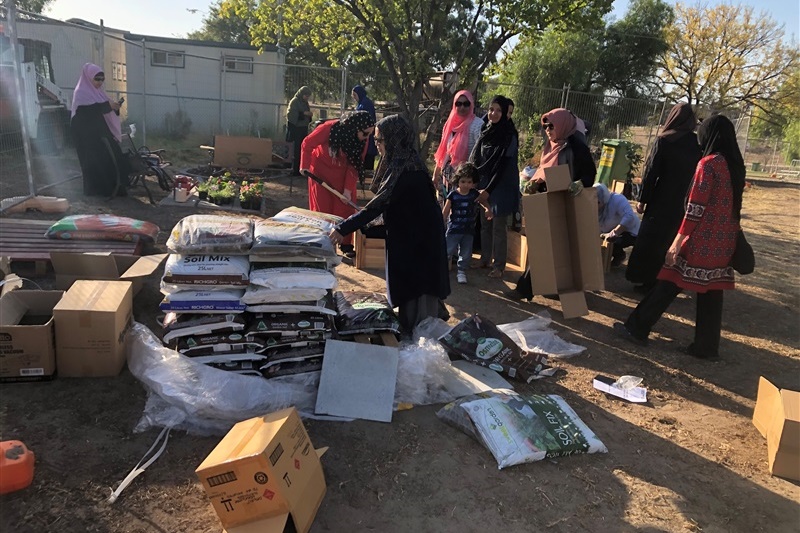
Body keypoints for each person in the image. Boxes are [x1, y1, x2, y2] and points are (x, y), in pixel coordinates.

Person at [614, 114, 745, 359]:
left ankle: (637, 327)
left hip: (700, 240)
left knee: (669, 280)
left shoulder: (709, 164)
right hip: (723, 242)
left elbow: (695, 207)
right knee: (711, 291)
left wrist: (678, 241)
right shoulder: (734, 165)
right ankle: (706, 347)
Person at [328, 114, 450, 332]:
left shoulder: (407, 172)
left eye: (379, 140)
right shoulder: (401, 163)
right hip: (411, 240)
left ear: (394, 140)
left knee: (417, 299)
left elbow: (378, 205)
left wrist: (344, 228)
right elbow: (388, 206)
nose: (377, 145)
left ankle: (419, 341)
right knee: (410, 294)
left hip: (420, 246)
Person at [626, 103, 702, 293]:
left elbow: (652, 172)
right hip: (686, 199)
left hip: (661, 199)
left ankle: (647, 280)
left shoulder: (665, 140)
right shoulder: (698, 143)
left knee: (653, 241)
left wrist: (643, 198)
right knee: (673, 239)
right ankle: (670, 281)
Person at [300, 110, 375, 253]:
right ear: (354, 127)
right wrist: (304, 166)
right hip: (320, 173)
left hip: (343, 175)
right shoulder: (329, 129)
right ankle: (322, 242)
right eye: (365, 133)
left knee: (345, 208)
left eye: (370, 134)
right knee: (323, 209)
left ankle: (346, 243)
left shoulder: (362, 141)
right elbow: (307, 143)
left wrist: (347, 189)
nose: (367, 138)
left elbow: (355, 165)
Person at [470, 95, 520, 279]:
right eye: (491, 109)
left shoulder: (509, 135)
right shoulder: (487, 130)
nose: (494, 113)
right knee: (485, 223)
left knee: (499, 225)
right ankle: (485, 259)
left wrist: (488, 190)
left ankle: (499, 266)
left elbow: (503, 167)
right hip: (485, 182)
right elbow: (478, 157)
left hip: (501, 185)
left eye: (499, 110)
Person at [70, 63, 128, 197]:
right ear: (89, 78)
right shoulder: (81, 92)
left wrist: (114, 107)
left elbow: (103, 109)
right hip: (85, 135)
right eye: (97, 79)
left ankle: (114, 187)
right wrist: (107, 106)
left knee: (113, 156)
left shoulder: (99, 93)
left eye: (102, 79)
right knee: (92, 161)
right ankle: (96, 191)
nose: (99, 83)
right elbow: (86, 111)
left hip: (99, 132)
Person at [442, 162, 492, 285]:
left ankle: (461, 272)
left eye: (469, 182)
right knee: (447, 250)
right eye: (463, 181)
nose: (466, 185)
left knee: (465, 253)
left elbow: (483, 202)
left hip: (468, 230)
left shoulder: (474, 194)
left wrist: (488, 209)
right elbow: (446, 210)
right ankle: (441, 270)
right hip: (454, 229)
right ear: (457, 181)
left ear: (473, 182)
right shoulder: (453, 195)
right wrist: (441, 221)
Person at [527, 108, 596, 190]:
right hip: (552, 198)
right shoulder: (549, 148)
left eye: (551, 126)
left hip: (572, 199)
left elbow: (589, 174)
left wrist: (580, 184)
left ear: (563, 125)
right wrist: (536, 184)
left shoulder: (577, 147)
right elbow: (546, 175)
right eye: (545, 126)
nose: (548, 130)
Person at [432, 90, 484, 198]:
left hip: (466, 181)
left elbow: (480, 154)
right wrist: (435, 175)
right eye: (458, 103)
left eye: (466, 104)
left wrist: (473, 180)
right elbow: (443, 151)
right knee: (445, 210)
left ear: (471, 105)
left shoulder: (477, 125)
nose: (462, 107)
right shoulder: (450, 124)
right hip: (447, 176)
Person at [594, 183, 641, 267]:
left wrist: (615, 232)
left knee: (612, 241)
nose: (596, 204)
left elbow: (629, 217)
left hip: (631, 231)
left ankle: (619, 256)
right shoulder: (595, 208)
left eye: (598, 202)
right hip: (609, 232)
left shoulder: (617, 199)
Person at [287, 86, 313, 176]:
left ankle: (300, 169)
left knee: (302, 148)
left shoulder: (305, 103)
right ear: (302, 94)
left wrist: (309, 115)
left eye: (308, 96)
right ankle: (293, 169)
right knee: (295, 149)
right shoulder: (294, 102)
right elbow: (291, 115)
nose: (307, 98)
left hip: (303, 128)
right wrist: (303, 113)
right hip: (295, 129)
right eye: (306, 95)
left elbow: (307, 113)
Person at [352, 85, 378, 174]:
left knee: (367, 161)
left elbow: (367, 120)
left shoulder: (366, 104)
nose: (354, 98)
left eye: (355, 95)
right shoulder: (361, 103)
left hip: (367, 136)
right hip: (361, 136)